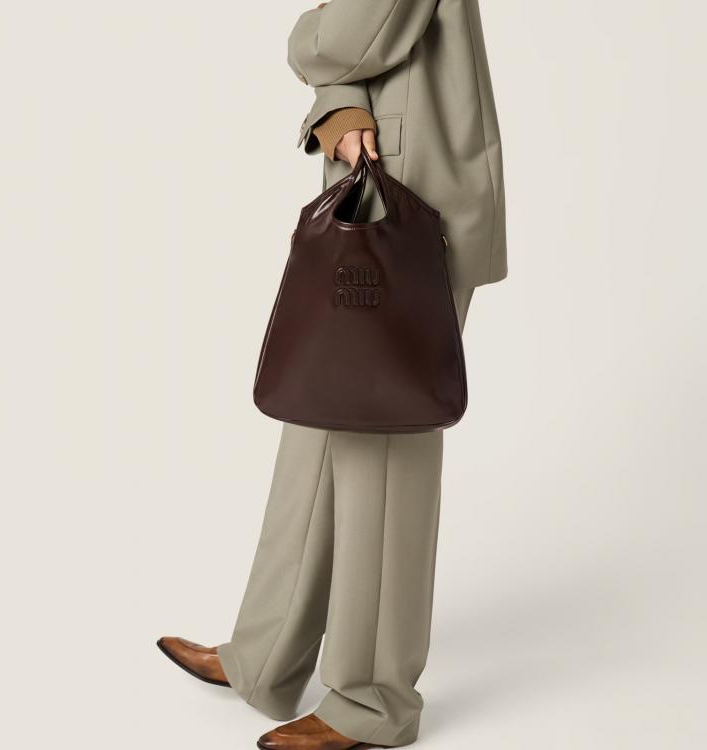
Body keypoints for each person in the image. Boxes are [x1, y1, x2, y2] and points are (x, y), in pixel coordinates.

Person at [158, 1, 506, 748]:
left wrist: (306, 38)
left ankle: (372, 702)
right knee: (318, 430)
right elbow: (363, 44)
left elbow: (350, 34)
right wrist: (339, 102)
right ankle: (266, 656)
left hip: (413, 202)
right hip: (389, 182)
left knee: (382, 455)